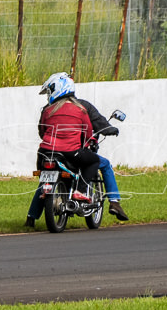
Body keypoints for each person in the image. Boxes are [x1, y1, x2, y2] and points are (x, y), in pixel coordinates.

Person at [26, 72, 129, 227]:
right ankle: (111, 201)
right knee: (99, 162)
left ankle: (31, 217)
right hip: (71, 152)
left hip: (45, 153)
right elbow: (89, 131)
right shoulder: (82, 108)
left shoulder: (47, 110)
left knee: (45, 179)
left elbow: (42, 131)